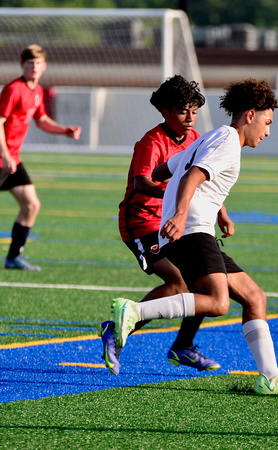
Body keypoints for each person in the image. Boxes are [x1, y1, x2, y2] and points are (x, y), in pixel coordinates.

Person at [110, 78, 278, 395]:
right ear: (250, 115)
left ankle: (270, 378)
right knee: (217, 303)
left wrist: (216, 207)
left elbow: (166, 170)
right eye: (267, 122)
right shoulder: (228, 141)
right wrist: (177, 214)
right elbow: (192, 174)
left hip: (193, 225)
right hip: (191, 228)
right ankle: (135, 311)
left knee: (254, 297)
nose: (268, 131)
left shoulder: (211, 137)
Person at [99, 75, 221, 375]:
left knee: (201, 282)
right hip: (141, 222)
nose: (191, 117)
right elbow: (142, 182)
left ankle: (183, 346)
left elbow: (203, 178)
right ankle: (115, 332)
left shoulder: (195, 139)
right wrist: (172, 193)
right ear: (165, 112)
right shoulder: (151, 142)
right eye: (183, 111)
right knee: (179, 282)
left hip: (175, 222)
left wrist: (221, 211)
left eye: (194, 110)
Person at [0, 44, 81, 271]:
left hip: (11, 159)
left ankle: (13, 258)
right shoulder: (13, 89)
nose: (34, 67)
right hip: (3, 158)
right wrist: (5, 154)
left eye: (37, 63)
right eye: (29, 63)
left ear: (44, 66)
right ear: (21, 65)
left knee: (31, 204)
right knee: (30, 204)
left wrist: (64, 130)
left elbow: (41, 119)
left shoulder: (36, 91)